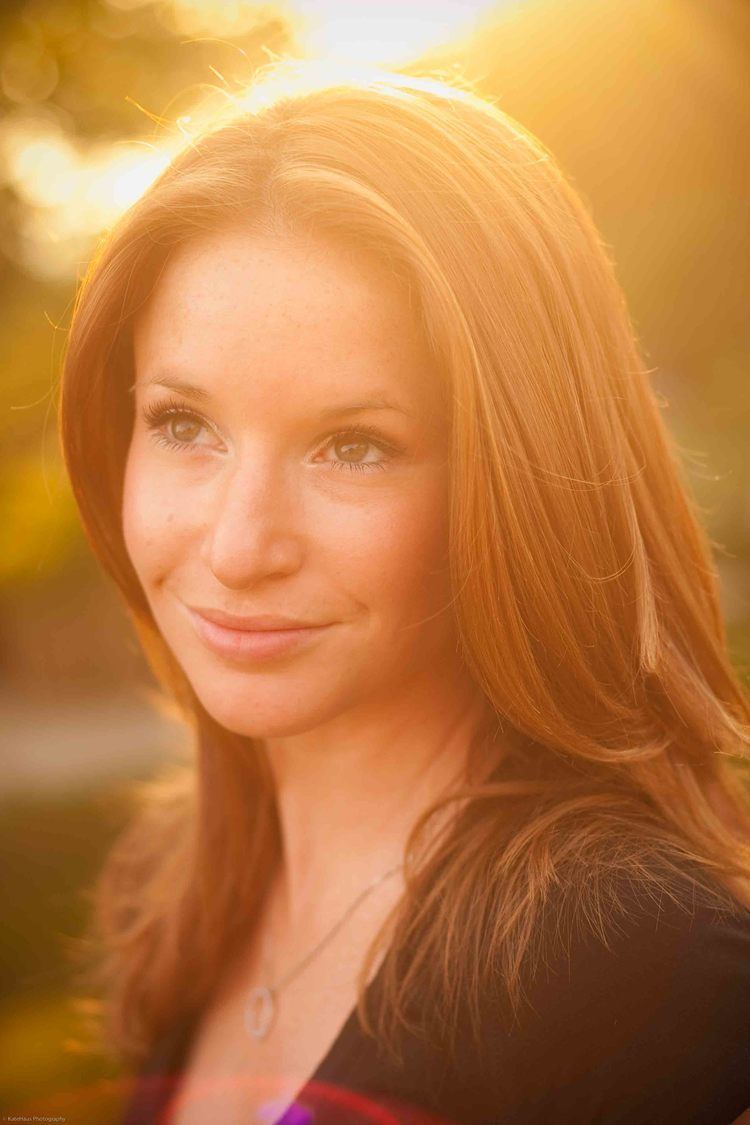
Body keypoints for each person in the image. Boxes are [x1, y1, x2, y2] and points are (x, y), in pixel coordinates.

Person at [59, 61, 750, 1124]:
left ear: (514, 480)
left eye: (355, 446)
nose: (240, 546)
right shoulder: (184, 881)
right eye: (184, 425)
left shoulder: (621, 958)